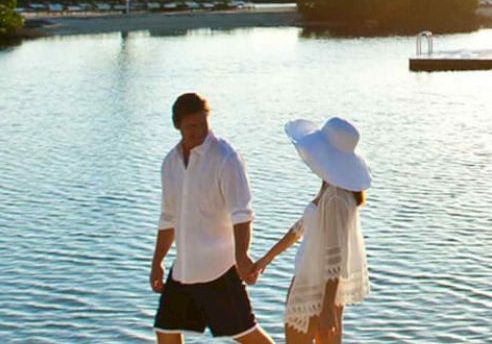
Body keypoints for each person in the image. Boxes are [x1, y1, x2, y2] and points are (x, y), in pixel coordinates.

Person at [150, 93, 275, 344]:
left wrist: (242, 256)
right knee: (165, 329)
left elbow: (242, 213)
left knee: (248, 336)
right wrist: (157, 261)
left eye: (203, 123)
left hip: (220, 268)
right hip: (184, 269)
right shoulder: (170, 163)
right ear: (178, 125)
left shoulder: (226, 158)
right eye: (191, 126)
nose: (199, 131)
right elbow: (168, 218)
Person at [254, 117, 372, 344]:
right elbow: (299, 229)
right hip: (318, 286)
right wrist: (265, 260)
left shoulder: (335, 199)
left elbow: (336, 256)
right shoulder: (331, 190)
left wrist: (327, 308)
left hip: (314, 287)